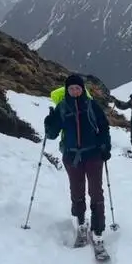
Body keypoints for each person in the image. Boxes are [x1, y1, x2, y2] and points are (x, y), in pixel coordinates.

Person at [44, 73, 112, 250]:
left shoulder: (91, 105)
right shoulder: (61, 107)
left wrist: (105, 146)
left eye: (78, 88)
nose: (74, 91)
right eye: (71, 88)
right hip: (71, 157)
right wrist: (49, 122)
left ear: (83, 90)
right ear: (67, 90)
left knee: (96, 192)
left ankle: (98, 231)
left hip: (93, 154)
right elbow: (51, 135)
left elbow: (103, 126)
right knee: (77, 191)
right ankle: (81, 223)